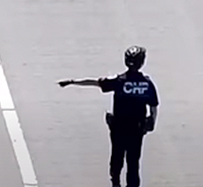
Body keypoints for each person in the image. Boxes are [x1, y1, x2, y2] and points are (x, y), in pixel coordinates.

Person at [59, 46, 158, 187]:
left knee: (117, 157)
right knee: (133, 162)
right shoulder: (147, 83)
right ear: (142, 62)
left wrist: (72, 81)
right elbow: (153, 105)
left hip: (119, 128)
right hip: (137, 129)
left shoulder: (119, 81)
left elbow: (95, 82)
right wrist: (152, 121)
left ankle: (115, 181)